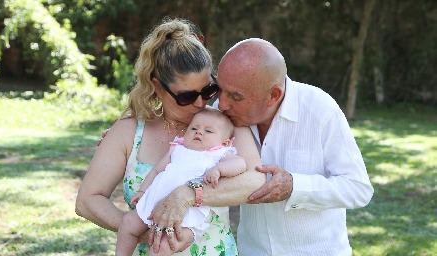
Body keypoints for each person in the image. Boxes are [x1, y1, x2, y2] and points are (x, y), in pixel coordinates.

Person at [146, 38, 374, 255]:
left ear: (273, 95)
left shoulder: (320, 110)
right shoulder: (222, 115)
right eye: (220, 90)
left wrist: (295, 186)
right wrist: (126, 133)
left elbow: (358, 189)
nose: (222, 104)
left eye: (235, 96)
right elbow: (182, 136)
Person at [75, 17, 264, 256]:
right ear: (157, 86)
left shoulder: (226, 124)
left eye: (208, 90)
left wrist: (189, 194)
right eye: (186, 96)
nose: (201, 103)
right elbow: (87, 200)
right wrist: (137, 228)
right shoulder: (129, 130)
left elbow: (254, 181)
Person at [116, 108, 246, 256]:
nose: (199, 132)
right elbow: (156, 171)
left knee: (163, 246)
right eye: (194, 128)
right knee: (127, 222)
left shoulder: (218, 153)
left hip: (189, 214)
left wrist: (219, 170)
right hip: (154, 203)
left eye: (208, 131)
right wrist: (142, 191)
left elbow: (240, 164)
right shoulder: (177, 149)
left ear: (225, 142)